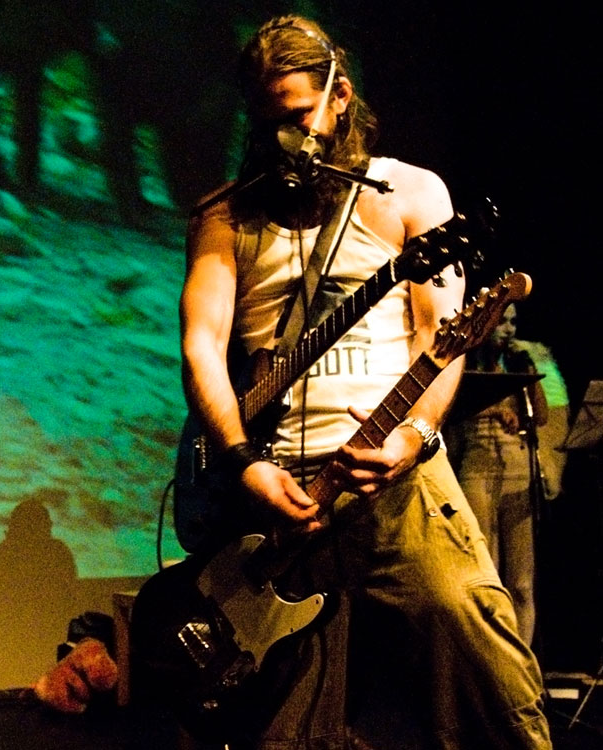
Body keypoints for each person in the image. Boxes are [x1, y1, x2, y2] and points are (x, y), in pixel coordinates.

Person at [178, 15, 552, 750]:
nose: (284, 138)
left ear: (340, 96)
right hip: (269, 499)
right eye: (266, 121)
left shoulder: (411, 193)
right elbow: (202, 344)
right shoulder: (224, 214)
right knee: (274, 718)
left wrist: (412, 436)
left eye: (298, 117)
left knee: (485, 671)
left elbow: (439, 338)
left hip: (397, 485)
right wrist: (242, 461)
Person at [454, 302, 568, 646]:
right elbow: (450, 411)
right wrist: (495, 410)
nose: (508, 329)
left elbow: (541, 416)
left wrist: (529, 372)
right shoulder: (464, 361)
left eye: (513, 322)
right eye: (501, 321)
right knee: (487, 575)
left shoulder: (518, 362)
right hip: (477, 469)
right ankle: (492, 658)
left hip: (518, 470)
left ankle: (523, 662)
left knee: (521, 582)